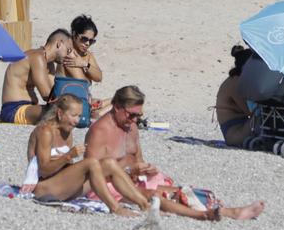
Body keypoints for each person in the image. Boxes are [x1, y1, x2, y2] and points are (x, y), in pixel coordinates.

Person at [85, 86, 264, 221]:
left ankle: (225, 210)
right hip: (109, 186)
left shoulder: (130, 126)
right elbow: (91, 172)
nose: (134, 120)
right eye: (131, 115)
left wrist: (146, 168)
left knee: (180, 191)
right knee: (159, 197)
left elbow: (138, 159)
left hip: (133, 178)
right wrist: (130, 172)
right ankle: (206, 215)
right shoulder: (100, 131)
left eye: (138, 116)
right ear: (116, 107)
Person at [20, 95, 146, 214]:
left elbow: (64, 169)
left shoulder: (66, 131)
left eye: (79, 116)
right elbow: (44, 170)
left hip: (61, 186)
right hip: (43, 188)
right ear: (60, 113)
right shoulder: (45, 131)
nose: (77, 121)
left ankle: (143, 203)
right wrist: (68, 156)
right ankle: (115, 208)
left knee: (109, 163)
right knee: (90, 162)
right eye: (74, 115)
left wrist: (68, 161)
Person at [0, 29, 72, 124]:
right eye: (68, 50)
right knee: (59, 113)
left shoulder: (48, 63)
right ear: (59, 44)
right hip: (13, 110)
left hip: (28, 108)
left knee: (70, 110)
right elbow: (47, 95)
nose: (69, 55)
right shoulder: (37, 57)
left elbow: (55, 92)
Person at [215, 46, 257, 147]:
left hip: (236, 130)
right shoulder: (235, 83)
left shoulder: (234, 80)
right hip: (234, 135)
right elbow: (249, 111)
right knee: (264, 117)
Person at [60, 15, 105, 85]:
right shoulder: (68, 53)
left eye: (91, 41)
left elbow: (99, 77)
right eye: (84, 39)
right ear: (74, 34)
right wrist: (89, 77)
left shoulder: (86, 54)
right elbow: (84, 84)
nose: (87, 43)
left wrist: (84, 64)